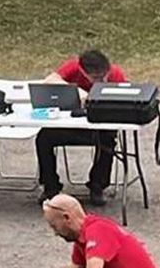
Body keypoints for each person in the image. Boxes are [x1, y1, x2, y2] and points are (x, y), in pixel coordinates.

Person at [36, 48, 128, 206]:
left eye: (103, 76)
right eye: (95, 78)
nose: (101, 81)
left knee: (107, 140)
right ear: (83, 72)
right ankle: (50, 187)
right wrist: (78, 92)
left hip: (99, 128)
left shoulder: (115, 74)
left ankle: (97, 185)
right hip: (72, 125)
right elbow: (50, 80)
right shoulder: (73, 67)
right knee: (44, 138)